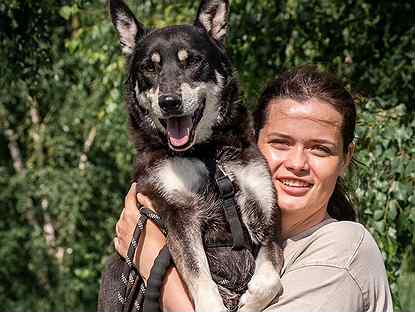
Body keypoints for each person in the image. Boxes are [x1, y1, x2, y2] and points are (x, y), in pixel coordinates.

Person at [113, 65, 393, 312]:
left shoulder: (342, 249)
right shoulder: (240, 243)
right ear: (252, 142)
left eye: (320, 149)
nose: (297, 163)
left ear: (345, 158)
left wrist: (154, 261)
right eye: (281, 143)